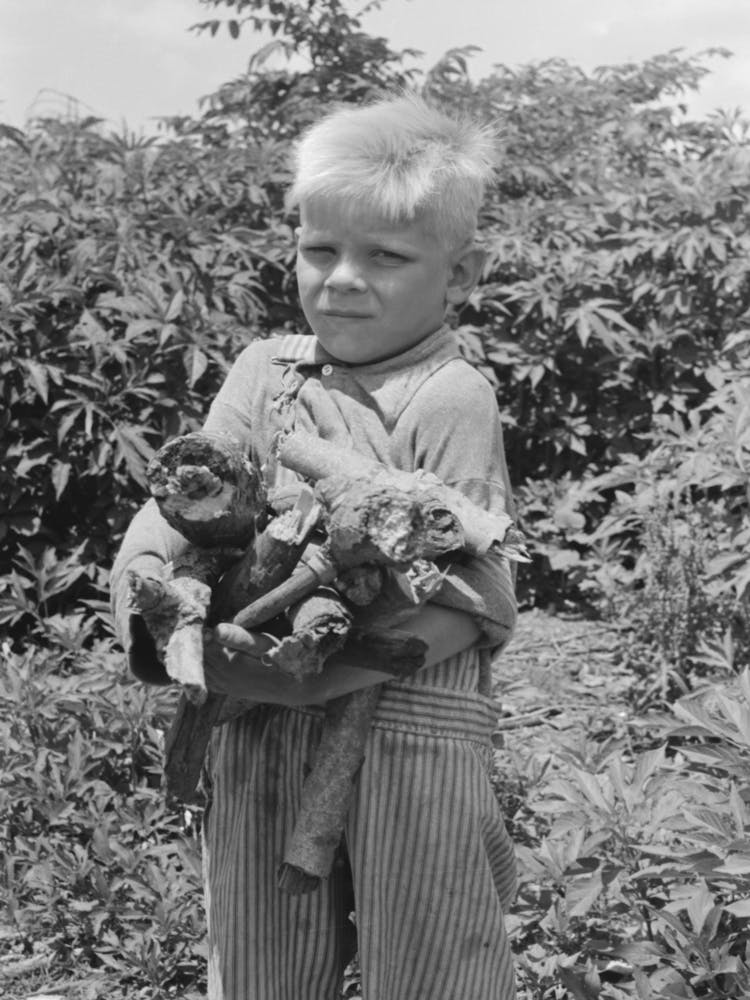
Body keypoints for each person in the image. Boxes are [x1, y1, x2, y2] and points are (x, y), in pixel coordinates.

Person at [110, 92, 519, 1000]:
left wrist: (322, 677)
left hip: (408, 724)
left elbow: (477, 595)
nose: (341, 278)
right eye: (319, 249)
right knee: (260, 965)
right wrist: (150, 586)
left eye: (386, 256)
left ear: (462, 273)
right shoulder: (268, 373)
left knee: (435, 963)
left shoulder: (449, 395)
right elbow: (178, 502)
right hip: (255, 717)